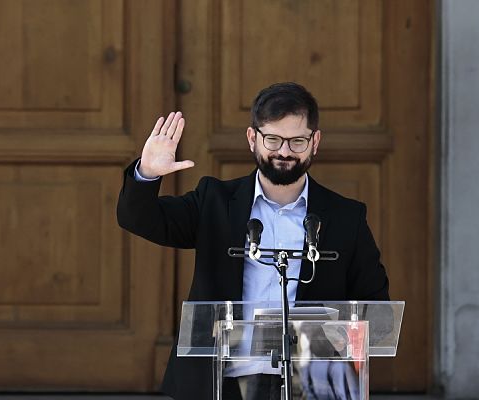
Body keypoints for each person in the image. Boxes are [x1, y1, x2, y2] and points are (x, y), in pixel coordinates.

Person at [117, 82, 389, 400]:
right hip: (223, 383)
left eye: (297, 141)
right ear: (252, 138)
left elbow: (376, 309)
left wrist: (338, 334)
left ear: (315, 142)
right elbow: (138, 219)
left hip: (309, 385)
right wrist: (147, 173)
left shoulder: (346, 217)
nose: (284, 152)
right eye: (272, 139)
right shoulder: (214, 201)